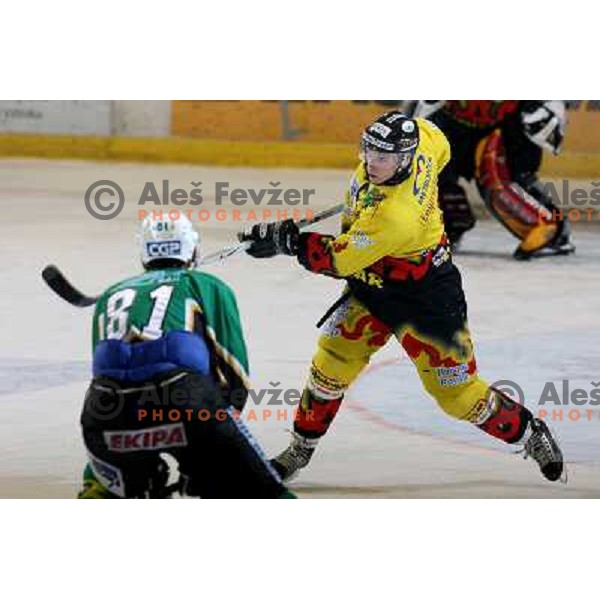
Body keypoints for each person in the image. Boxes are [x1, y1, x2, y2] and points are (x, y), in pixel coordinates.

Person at [243, 110, 564, 484]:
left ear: (405, 158)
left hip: (426, 301)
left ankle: (530, 432)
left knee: (457, 396)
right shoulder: (425, 139)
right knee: (330, 364)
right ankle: (300, 449)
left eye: (384, 157)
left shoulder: (396, 216)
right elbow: (443, 145)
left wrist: (287, 241)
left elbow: (338, 259)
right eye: (369, 150)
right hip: (372, 286)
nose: (372, 162)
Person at [78, 214, 293, 499]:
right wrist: (217, 441)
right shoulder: (207, 285)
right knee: (265, 494)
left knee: (102, 489)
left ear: (144, 253)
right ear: (193, 249)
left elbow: (103, 371)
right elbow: (234, 373)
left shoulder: (110, 296)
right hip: (185, 404)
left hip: (104, 412)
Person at [412, 100, 574, 259]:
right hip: (451, 121)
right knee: (425, 169)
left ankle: (551, 229)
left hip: (506, 126)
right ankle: (447, 224)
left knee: (498, 179)